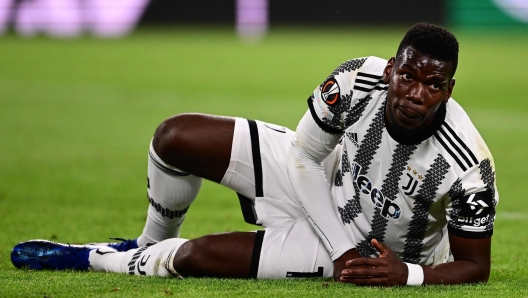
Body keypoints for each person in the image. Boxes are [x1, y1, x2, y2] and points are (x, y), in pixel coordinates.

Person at [11, 22, 498, 286]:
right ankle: (145, 241)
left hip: (370, 254)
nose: (416, 93)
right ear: (391, 69)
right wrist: (340, 242)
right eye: (408, 76)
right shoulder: (357, 79)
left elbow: (476, 267)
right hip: (324, 180)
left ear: (449, 88)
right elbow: (306, 157)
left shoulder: (467, 165)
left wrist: (408, 274)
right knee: (175, 137)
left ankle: (96, 261)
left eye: (433, 85)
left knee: (197, 257)